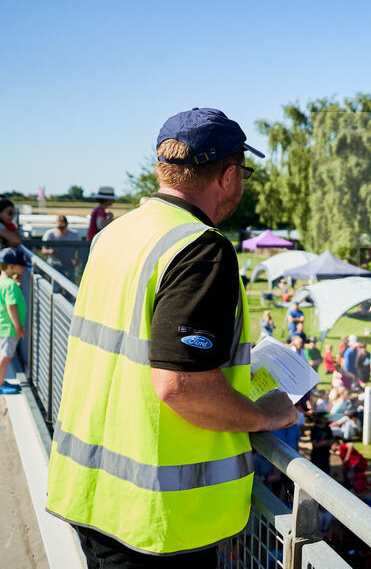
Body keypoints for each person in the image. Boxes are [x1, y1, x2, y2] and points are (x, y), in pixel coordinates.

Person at [46, 108, 297, 566]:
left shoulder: (115, 233)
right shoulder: (200, 247)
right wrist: (264, 416)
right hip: (157, 520)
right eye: (244, 172)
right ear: (228, 175)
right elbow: (181, 385)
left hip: (93, 493)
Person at [0, 248, 27, 395]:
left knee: (4, 354)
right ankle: (0, 384)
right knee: (6, 356)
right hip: (9, 328)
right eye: (20, 264)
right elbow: (11, 306)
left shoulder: (4, 281)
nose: (23, 267)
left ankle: (1, 380)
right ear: (11, 267)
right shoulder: (10, 285)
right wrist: (18, 327)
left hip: (3, 326)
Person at [41, 215, 81, 281]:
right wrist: (50, 251)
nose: (61, 230)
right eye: (58, 228)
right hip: (53, 264)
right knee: (55, 287)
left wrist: (77, 260)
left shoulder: (75, 234)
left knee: (70, 286)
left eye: (63, 227)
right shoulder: (49, 234)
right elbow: (43, 250)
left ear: (66, 225)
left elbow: (80, 249)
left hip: (69, 264)